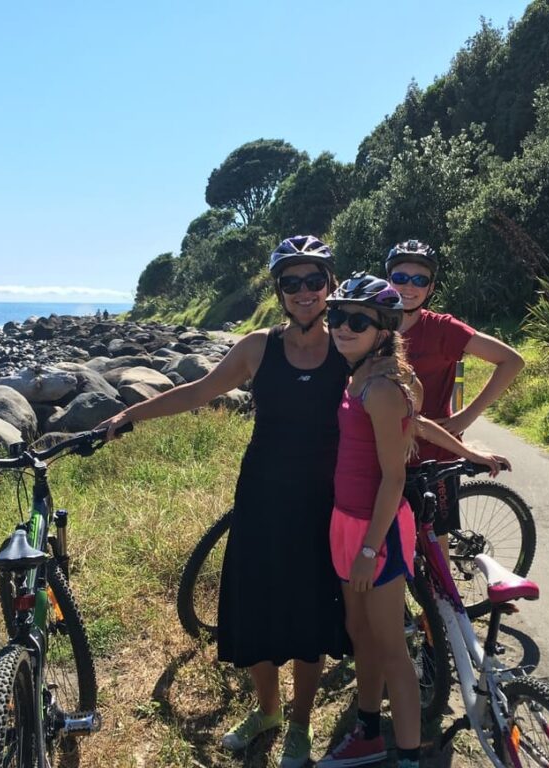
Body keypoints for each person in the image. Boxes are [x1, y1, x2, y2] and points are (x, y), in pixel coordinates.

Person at [99, 235, 351, 768]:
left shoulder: (349, 346)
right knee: (256, 605)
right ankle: (268, 710)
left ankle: (301, 726)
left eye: (314, 281)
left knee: (310, 614)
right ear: (279, 290)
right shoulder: (257, 347)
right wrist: (130, 415)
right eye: (292, 283)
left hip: (322, 502)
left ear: (330, 285)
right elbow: (199, 392)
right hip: (261, 496)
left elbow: (392, 395)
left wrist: (453, 437)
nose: (304, 292)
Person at [316, 274, 508, 768]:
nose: (341, 327)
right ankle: (366, 729)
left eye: (357, 320)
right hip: (347, 520)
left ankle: (404, 755)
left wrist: (367, 550)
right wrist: (468, 450)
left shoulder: (381, 386)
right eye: (336, 316)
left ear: (383, 328)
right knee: (361, 633)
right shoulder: (362, 374)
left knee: (391, 647)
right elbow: (417, 425)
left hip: (374, 529)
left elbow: (393, 479)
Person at [385, 240, 524, 464]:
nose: (409, 287)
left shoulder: (443, 329)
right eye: (400, 278)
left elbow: (512, 361)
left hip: (434, 455)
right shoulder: (371, 326)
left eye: (419, 280)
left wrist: (466, 417)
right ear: (388, 281)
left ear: (430, 288)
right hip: (382, 453)